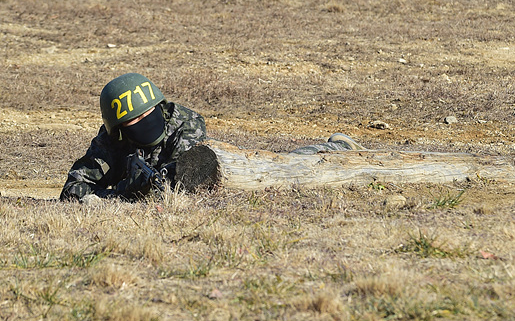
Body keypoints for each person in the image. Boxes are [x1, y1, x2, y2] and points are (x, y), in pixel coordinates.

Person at [61, 73, 366, 203]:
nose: (142, 122)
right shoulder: (111, 141)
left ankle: (336, 147)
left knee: (283, 166)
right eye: (133, 120)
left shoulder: (186, 124)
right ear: (119, 127)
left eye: (147, 113)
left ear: (159, 106)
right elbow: (73, 190)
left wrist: (118, 195)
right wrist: (122, 193)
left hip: (222, 171)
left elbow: (175, 190)